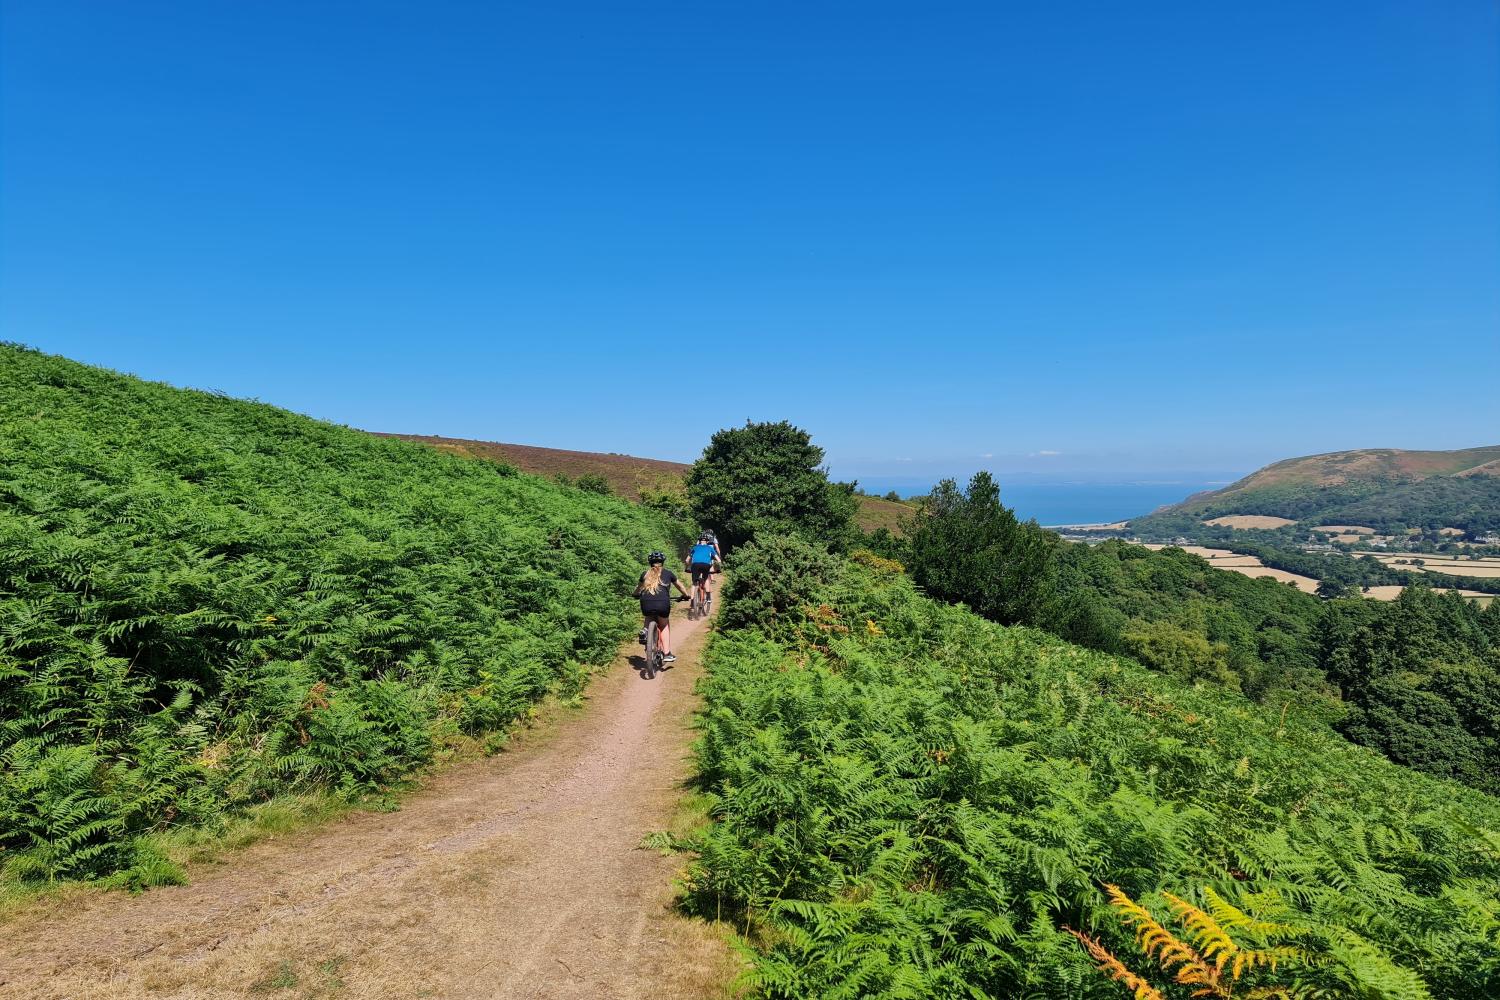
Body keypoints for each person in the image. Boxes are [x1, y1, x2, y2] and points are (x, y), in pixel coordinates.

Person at [635, 551, 691, 662]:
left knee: (648, 616)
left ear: (650, 562)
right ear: (662, 562)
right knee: (664, 625)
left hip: (646, 603)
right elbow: (679, 586)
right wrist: (685, 595)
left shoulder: (645, 574)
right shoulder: (668, 573)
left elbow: (638, 588)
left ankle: (645, 631)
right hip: (662, 603)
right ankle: (666, 653)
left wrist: (635, 594)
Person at [687, 532, 723, 609]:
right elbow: (718, 560)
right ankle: (708, 596)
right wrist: (719, 568)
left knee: (694, 583)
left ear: (699, 541)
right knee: (706, 579)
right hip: (706, 565)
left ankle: (692, 601)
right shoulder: (710, 548)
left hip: (695, 565)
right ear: (707, 541)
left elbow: (687, 560)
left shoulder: (695, 547)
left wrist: (687, 567)